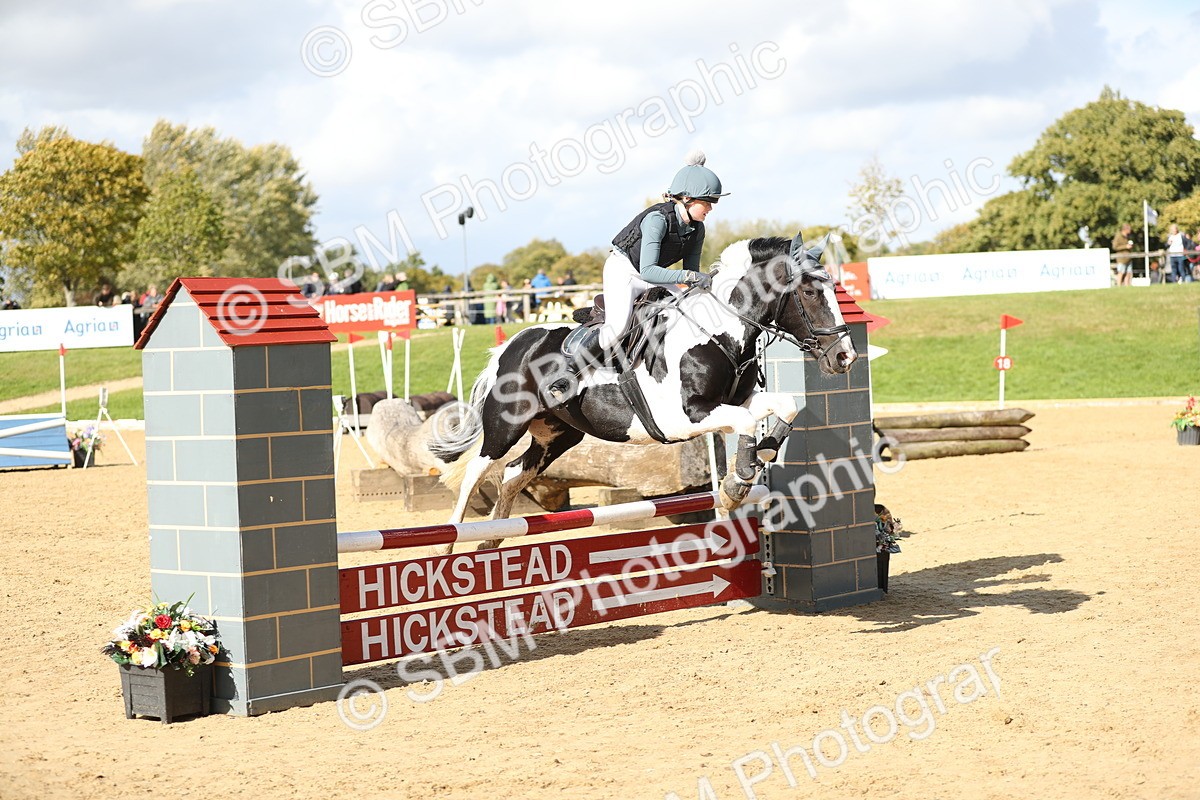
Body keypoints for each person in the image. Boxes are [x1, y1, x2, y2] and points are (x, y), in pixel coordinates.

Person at [547, 150, 726, 400]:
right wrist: (691, 277)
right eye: (706, 202)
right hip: (627, 271)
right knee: (617, 329)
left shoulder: (697, 229)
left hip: (654, 273)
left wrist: (700, 284)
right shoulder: (657, 220)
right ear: (686, 198)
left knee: (690, 309)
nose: (710, 208)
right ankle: (567, 374)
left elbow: (690, 273)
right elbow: (648, 270)